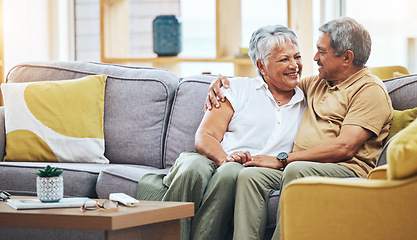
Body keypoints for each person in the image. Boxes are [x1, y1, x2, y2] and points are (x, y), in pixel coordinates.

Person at [206, 17, 393, 240]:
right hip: (306, 166)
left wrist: (283, 159)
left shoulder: (369, 91)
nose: (314, 58)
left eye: (321, 52)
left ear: (347, 57)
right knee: (250, 176)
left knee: (297, 170)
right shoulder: (317, 83)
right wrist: (224, 84)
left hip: (345, 169)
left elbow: (345, 147)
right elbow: (273, 79)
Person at [136, 25, 306, 240]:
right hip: (215, 157)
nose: (294, 65)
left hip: (254, 169)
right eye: (284, 59)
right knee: (192, 168)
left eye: (297, 56)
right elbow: (205, 137)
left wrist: (232, 164)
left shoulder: (309, 98)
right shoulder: (237, 88)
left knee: (231, 173)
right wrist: (226, 158)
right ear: (261, 66)